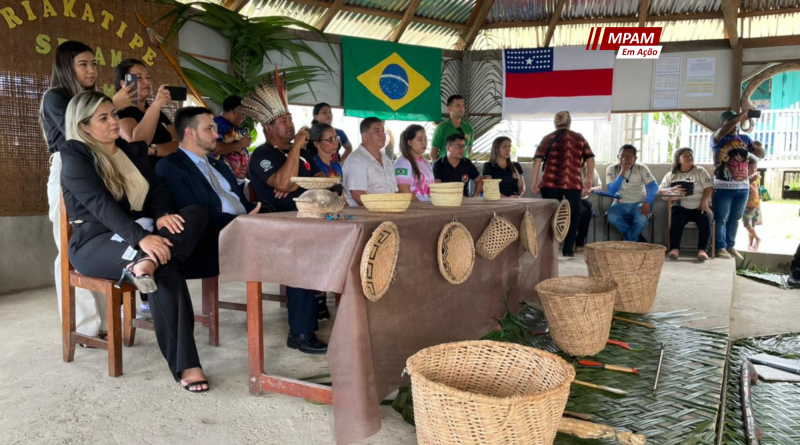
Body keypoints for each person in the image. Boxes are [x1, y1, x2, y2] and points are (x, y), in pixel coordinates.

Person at [61, 91, 210, 391]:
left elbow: (156, 191)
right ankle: (187, 365)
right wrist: (142, 239)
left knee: (194, 214)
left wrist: (165, 214)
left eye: (113, 114)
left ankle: (147, 263)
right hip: (95, 242)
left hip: (142, 235)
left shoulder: (129, 151)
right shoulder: (76, 155)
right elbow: (100, 206)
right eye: (103, 118)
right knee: (168, 269)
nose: (113, 121)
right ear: (84, 126)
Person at [39, 40, 135, 340]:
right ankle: (83, 327)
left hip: (99, 168)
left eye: (94, 63)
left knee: (100, 240)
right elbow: (73, 131)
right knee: (67, 250)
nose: (91, 69)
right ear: (66, 66)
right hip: (68, 170)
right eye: (83, 64)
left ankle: (99, 324)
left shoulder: (87, 97)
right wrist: (113, 105)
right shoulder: (55, 97)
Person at [242, 75, 328, 354]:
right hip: (276, 225)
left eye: (291, 119)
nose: (290, 124)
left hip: (306, 219)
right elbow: (282, 185)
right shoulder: (262, 154)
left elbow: (328, 183)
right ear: (268, 127)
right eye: (283, 121)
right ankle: (301, 333)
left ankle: (323, 304)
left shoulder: (302, 157)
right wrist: (292, 167)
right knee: (301, 259)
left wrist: (295, 180)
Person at [156, 107, 261, 282]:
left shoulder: (219, 165)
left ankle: (306, 304)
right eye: (209, 129)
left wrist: (264, 211)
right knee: (289, 245)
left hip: (245, 227)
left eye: (215, 128)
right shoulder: (170, 166)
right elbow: (193, 215)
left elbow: (241, 202)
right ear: (189, 133)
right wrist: (242, 222)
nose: (216, 135)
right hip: (212, 241)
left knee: (296, 230)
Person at [532, 111, 595, 256]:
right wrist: (588, 180)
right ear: (570, 122)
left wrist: (535, 181)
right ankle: (568, 249)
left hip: (550, 182)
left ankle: (549, 248)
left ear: (555, 123)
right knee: (574, 214)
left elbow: (537, 160)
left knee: (549, 214)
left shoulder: (547, 138)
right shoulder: (579, 138)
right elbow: (590, 159)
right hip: (572, 183)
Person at [711, 110, 766, 260]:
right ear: (724, 123)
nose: (737, 123)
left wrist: (759, 147)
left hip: (742, 187)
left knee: (735, 218)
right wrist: (737, 119)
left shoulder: (745, 138)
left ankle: (730, 245)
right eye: (732, 120)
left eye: (738, 120)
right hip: (723, 187)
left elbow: (760, 155)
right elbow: (722, 131)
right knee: (722, 218)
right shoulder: (718, 138)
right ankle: (720, 247)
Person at [115, 59, 179, 167]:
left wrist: (153, 149)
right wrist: (156, 105)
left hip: (168, 170)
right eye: (139, 77)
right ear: (123, 83)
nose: (146, 81)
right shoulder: (121, 111)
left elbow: (177, 143)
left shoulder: (155, 110)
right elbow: (136, 143)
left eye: (148, 77)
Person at [657, 148, 713, 261]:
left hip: (700, 206)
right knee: (677, 218)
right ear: (678, 159)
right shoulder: (672, 174)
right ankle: (674, 249)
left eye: (691, 155)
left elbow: (709, 187)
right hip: (681, 206)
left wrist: (704, 202)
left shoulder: (699, 171)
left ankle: (702, 250)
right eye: (686, 156)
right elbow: (659, 190)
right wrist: (672, 190)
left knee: (706, 219)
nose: (689, 158)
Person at [605, 145, 658, 242]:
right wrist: (622, 172)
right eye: (622, 156)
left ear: (635, 158)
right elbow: (611, 190)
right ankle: (635, 238)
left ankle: (628, 240)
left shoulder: (641, 168)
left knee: (641, 220)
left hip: (639, 202)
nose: (624, 159)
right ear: (618, 156)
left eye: (628, 156)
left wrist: (647, 202)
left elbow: (653, 187)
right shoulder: (611, 169)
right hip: (619, 202)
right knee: (611, 217)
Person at [342, 117, 399, 206]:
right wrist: (382, 207)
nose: (382, 135)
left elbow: (394, 191)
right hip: (365, 213)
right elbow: (358, 195)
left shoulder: (386, 158)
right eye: (377, 131)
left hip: (389, 209)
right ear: (364, 136)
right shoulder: (356, 159)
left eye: (383, 131)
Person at [212, 95, 252, 184]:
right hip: (220, 180)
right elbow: (213, 148)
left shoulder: (235, 128)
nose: (244, 118)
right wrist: (240, 144)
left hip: (234, 181)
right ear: (236, 112)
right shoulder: (216, 125)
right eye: (243, 114)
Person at [394, 124, 434, 202]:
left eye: (425, 139)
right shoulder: (403, 164)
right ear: (409, 142)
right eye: (420, 139)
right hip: (414, 209)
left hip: (430, 206)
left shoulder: (425, 162)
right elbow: (405, 192)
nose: (424, 143)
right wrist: (422, 207)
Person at [430, 95, 474, 160]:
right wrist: (439, 168)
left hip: (463, 168)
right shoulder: (441, 128)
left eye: (463, 105)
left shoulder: (468, 127)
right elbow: (433, 153)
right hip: (445, 168)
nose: (461, 109)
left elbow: (469, 151)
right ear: (450, 108)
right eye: (458, 105)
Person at [576, 163, 602, 252]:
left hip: (582, 200)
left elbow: (599, 187)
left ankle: (579, 242)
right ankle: (569, 240)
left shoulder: (590, 169)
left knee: (586, 210)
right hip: (565, 200)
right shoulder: (564, 167)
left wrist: (589, 189)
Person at [743, 155, 763, 251]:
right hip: (745, 204)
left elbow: (756, 189)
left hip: (755, 203)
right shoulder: (743, 177)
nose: (754, 169)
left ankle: (750, 244)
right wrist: (750, 179)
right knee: (747, 224)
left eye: (755, 167)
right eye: (751, 167)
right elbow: (744, 186)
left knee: (752, 224)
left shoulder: (757, 176)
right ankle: (758, 238)